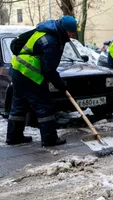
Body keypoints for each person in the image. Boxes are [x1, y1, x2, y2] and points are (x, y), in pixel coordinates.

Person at [6, 15, 78, 146]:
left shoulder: (45, 31)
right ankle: (49, 139)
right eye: (70, 32)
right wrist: (61, 86)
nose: (71, 35)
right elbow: (48, 69)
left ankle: (14, 137)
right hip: (30, 73)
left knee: (19, 104)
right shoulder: (52, 41)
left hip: (17, 69)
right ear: (63, 29)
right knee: (44, 106)